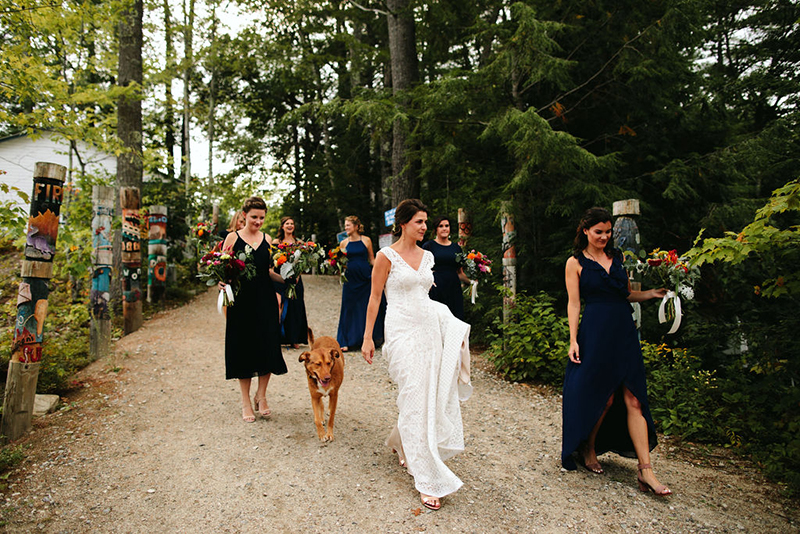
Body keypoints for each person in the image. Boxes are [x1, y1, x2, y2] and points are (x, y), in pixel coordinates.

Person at [362, 199, 472, 511]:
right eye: (419, 222)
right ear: (403, 224)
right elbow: (374, 298)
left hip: (428, 332)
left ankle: (401, 440)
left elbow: (425, 296)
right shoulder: (385, 257)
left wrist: (449, 326)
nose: (425, 227)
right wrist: (368, 337)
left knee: (426, 394)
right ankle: (426, 476)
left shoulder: (429, 255)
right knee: (412, 393)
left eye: (426, 222)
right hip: (400, 332)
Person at [562, 207, 672, 496]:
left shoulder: (618, 258)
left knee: (634, 398)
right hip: (595, 332)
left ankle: (645, 471)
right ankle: (589, 446)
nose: (604, 236)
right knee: (606, 398)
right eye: (598, 232)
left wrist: (651, 294)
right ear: (585, 230)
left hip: (623, 330)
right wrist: (573, 339)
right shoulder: (574, 263)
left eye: (607, 232)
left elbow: (624, 294)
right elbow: (574, 304)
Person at [220, 197, 287, 423]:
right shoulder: (232, 238)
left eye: (261, 218)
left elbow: (268, 271)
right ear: (244, 216)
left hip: (265, 299)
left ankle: (262, 395)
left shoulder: (267, 239)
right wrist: (221, 281)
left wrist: (288, 278)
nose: (258, 221)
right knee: (244, 348)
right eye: (254, 217)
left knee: (268, 344)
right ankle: (246, 401)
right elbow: (220, 268)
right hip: (241, 301)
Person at [336, 215, 383, 352]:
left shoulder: (366, 240)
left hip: (365, 277)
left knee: (365, 306)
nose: (346, 228)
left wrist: (381, 271)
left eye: (348, 225)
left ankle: (367, 338)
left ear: (356, 226)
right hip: (350, 279)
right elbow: (340, 262)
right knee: (348, 307)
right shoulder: (343, 243)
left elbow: (372, 259)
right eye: (345, 225)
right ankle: (345, 340)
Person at [422, 215, 471, 321]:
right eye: (441, 226)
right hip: (436, 287)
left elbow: (460, 272)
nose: (444, 228)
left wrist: (472, 281)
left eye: (447, 226)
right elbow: (422, 270)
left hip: (453, 288)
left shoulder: (456, 247)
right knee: (437, 320)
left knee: (455, 320)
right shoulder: (429, 246)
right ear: (436, 229)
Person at [271, 216, 309, 348]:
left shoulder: (299, 242)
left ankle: (294, 338)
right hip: (279, 277)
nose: (290, 226)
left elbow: (302, 261)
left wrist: (298, 273)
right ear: (282, 226)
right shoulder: (276, 241)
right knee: (279, 306)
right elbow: (272, 259)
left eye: (292, 224)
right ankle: (277, 337)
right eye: (287, 224)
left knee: (296, 306)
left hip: (295, 277)